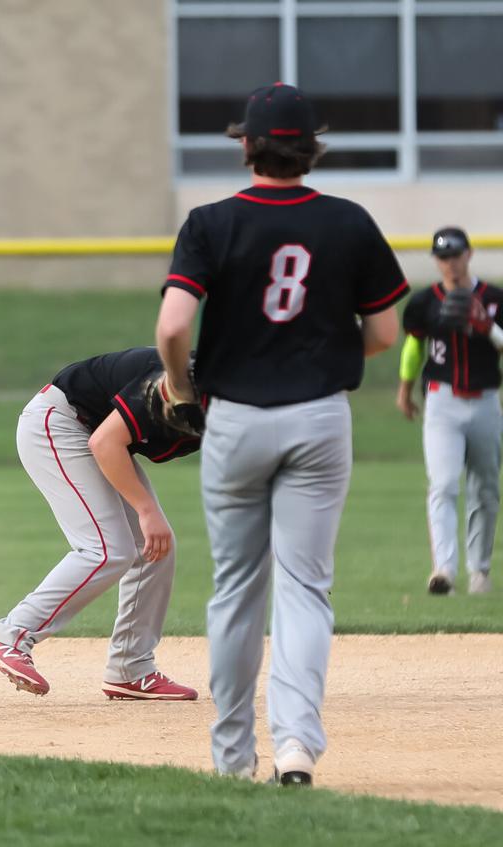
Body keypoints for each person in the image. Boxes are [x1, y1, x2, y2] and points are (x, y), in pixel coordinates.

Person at [155, 83, 407, 787]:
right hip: (320, 418)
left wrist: (178, 387)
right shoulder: (348, 221)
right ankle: (297, 744)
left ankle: (233, 756)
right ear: (311, 146)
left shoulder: (209, 222)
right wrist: (328, 353)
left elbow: (174, 326)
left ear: (247, 145)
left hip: (235, 417)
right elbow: (385, 329)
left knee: (237, 588)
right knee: (305, 588)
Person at [0, 347, 202, 702]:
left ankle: (131, 669)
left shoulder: (239, 402)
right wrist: (145, 509)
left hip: (95, 434)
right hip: (61, 424)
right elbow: (105, 441)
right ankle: (9, 635)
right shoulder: (180, 382)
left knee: (154, 549)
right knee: (107, 550)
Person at [397, 227, 502, 596]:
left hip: (487, 400)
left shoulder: (494, 298)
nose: (450, 262)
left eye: (455, 254)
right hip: (441, 402)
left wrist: (488, 328)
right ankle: (443, 570)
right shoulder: (425, 301)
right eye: (442, 256)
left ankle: (480, 572)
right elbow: (414, 348)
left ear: (469, 254)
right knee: (442, 485)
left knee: (485, 489)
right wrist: (404, 389)